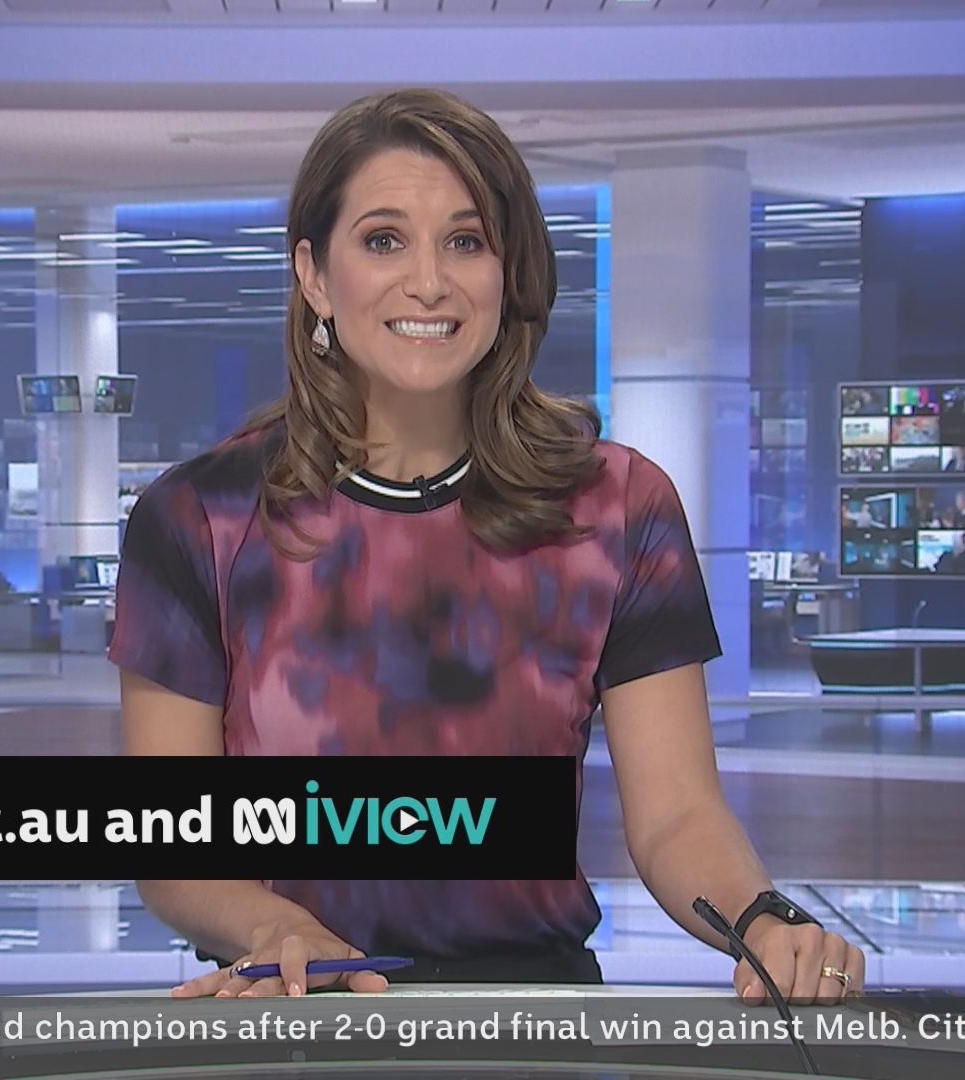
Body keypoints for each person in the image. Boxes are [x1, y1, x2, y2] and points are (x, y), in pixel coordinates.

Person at [111, 88, 864, 1004]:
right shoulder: (200, 517)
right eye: (383, 240)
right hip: (295, 1011)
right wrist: (278, 930)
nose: (429, 282)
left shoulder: (619, 508)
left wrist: (763, 920)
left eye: (466, 241)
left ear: (510, 273)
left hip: (535, 1021)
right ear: (314, 275)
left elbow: (676, 814)